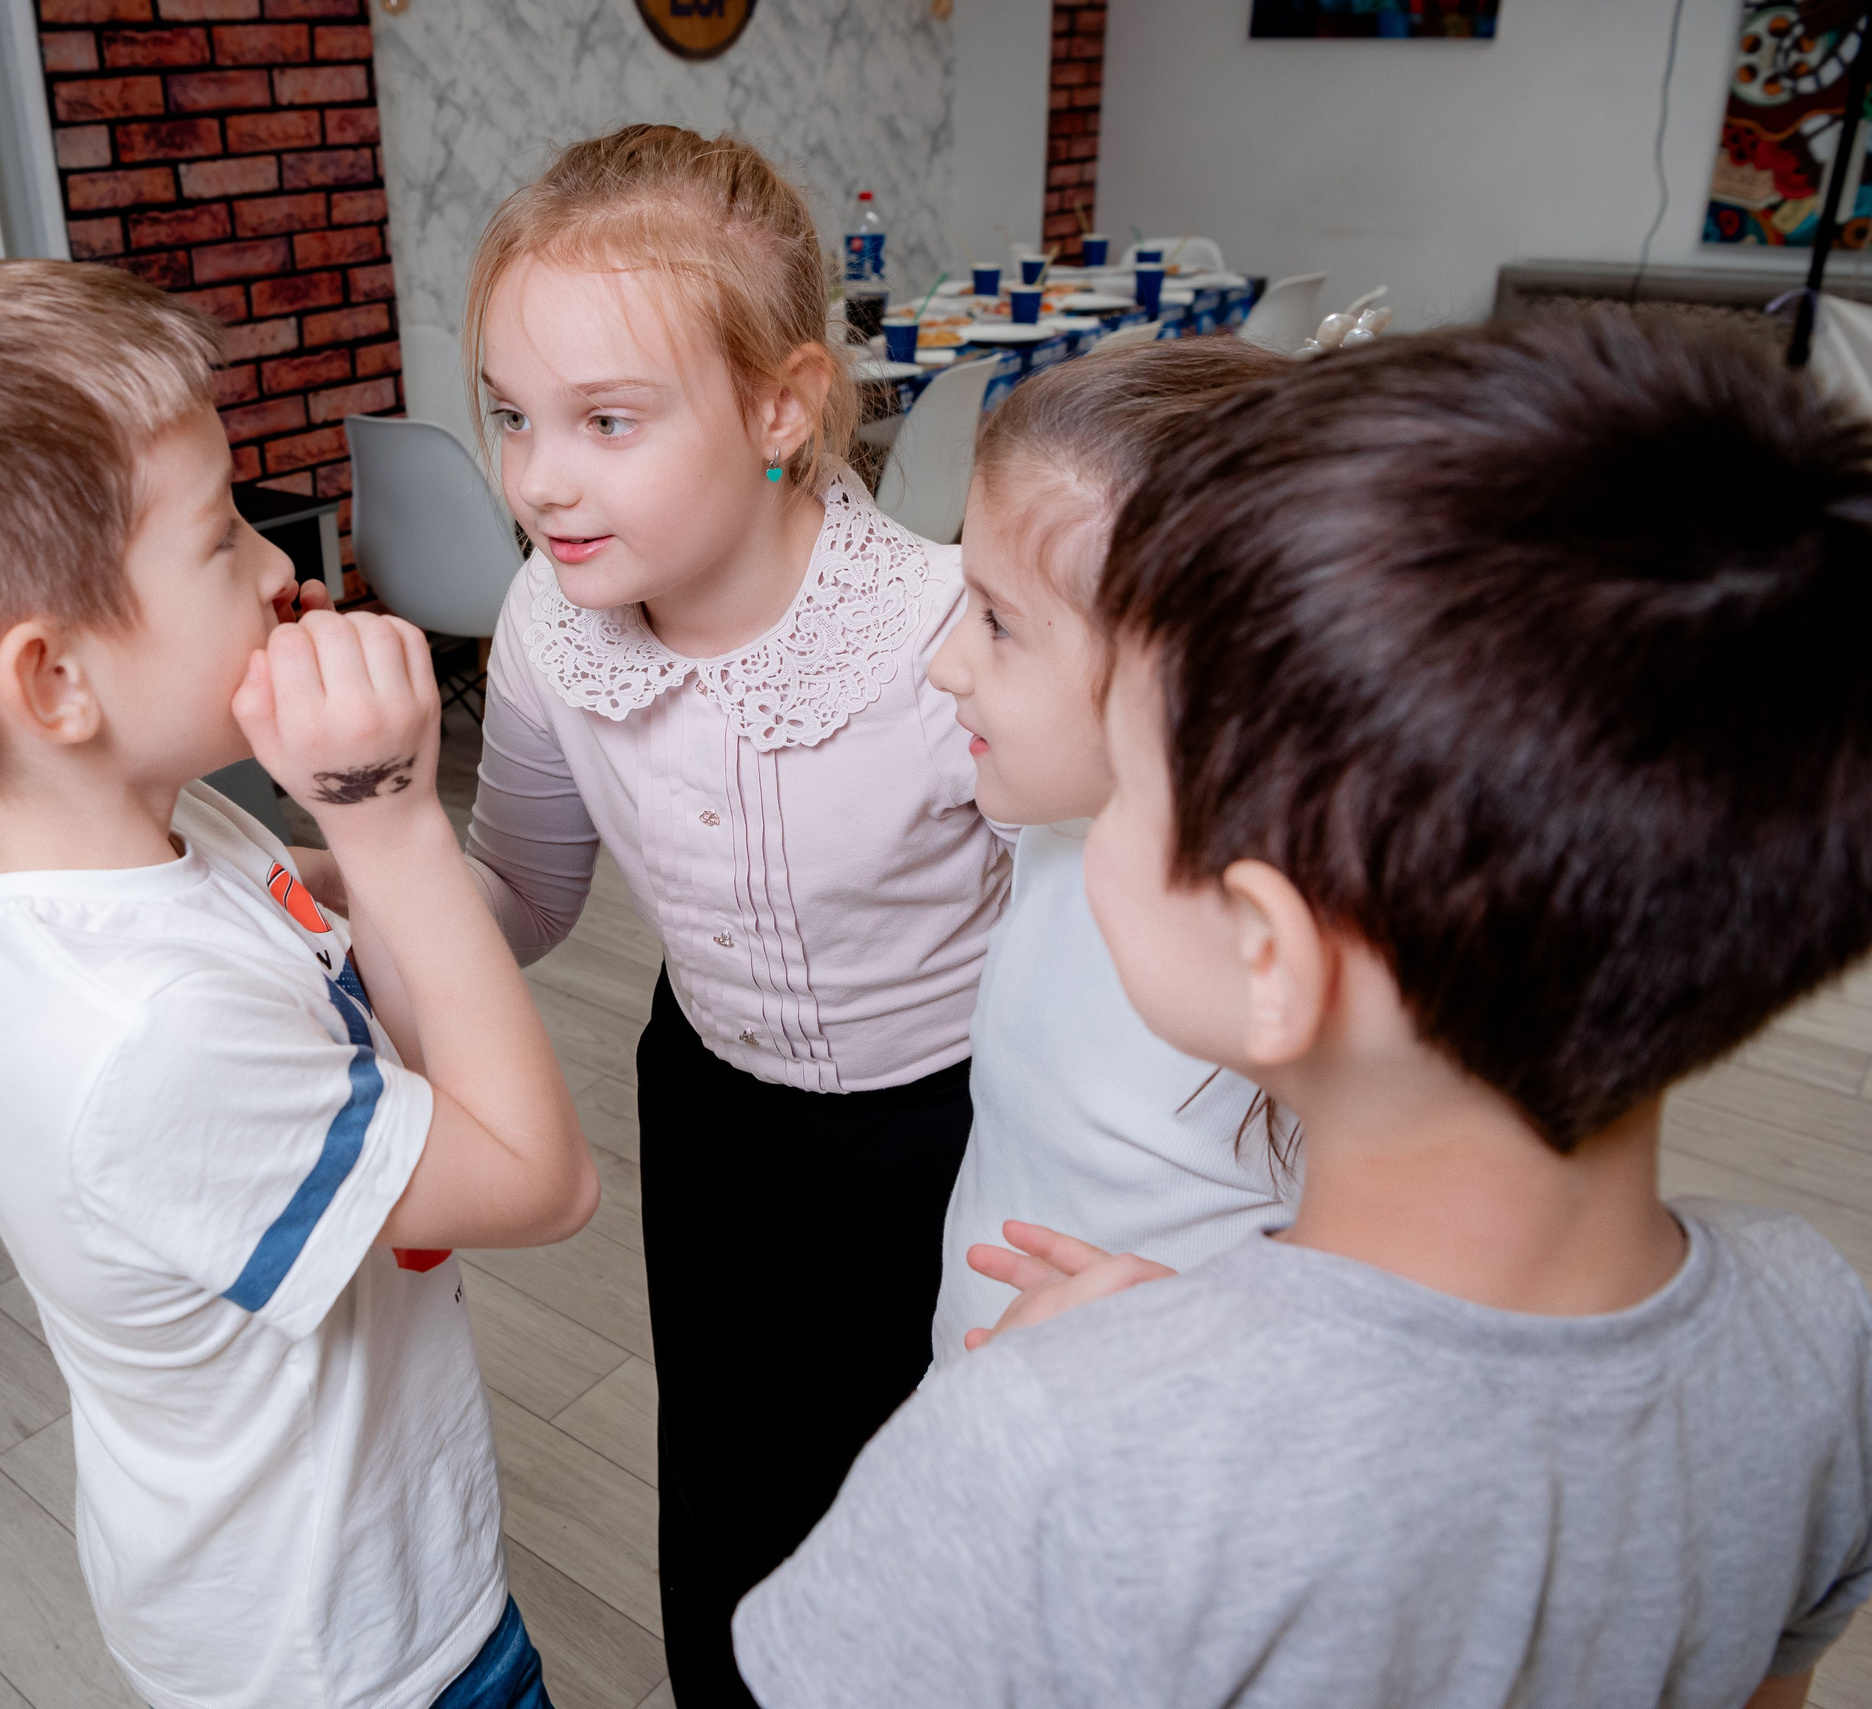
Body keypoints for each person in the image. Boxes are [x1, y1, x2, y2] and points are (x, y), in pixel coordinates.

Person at [732, 310, 1872, 1706]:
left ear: (1270, 949)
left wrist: (1118, 1400)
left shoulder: (1042, 1452)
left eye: (1141, 783)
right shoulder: (1824, 1340)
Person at [0, 247, 600, 1709]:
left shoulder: (128, 840)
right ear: (51, 684)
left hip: (361, 1571)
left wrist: (352, 866)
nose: (283, 567)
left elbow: (341, 985)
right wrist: (394, 819)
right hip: (353, 1660)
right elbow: (541, 1181)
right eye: (221, 537)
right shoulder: (140, 1032)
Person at [446, 124, 1003, 1707]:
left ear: (781, 407)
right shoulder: (552, 624)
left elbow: (1090, 934)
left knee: (938, 1499)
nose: (542, 476)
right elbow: (528, 896)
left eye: (607, 419)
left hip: (954, 1130)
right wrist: (359, 892)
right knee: (739, 1488)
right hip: (714, 1122)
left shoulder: (937, 632)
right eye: (512, 415)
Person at [923, 336, 1298, 1371]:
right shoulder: (1055, 821)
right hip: (982, 1377)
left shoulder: (1291, 974)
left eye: (997, 622)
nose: (945, 660)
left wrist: (1207, 1340)